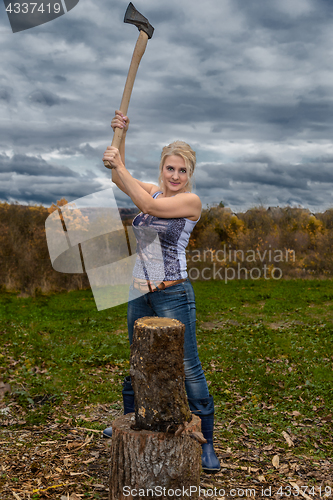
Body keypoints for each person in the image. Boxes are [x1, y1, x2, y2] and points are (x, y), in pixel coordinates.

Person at [102, 111, 221, 474]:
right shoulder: (152, 189)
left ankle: (206, 443)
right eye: (170, 168)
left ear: (190, 175)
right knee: (138, 361)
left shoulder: (190, 202)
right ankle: (131, 424)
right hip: (139, 292)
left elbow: (149, 207)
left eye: (182, 171)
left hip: (173, 294)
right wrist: (119, 134)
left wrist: (118, 163)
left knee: (188, 368)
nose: (175, 176)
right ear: (162, 169)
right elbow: (117, 176)